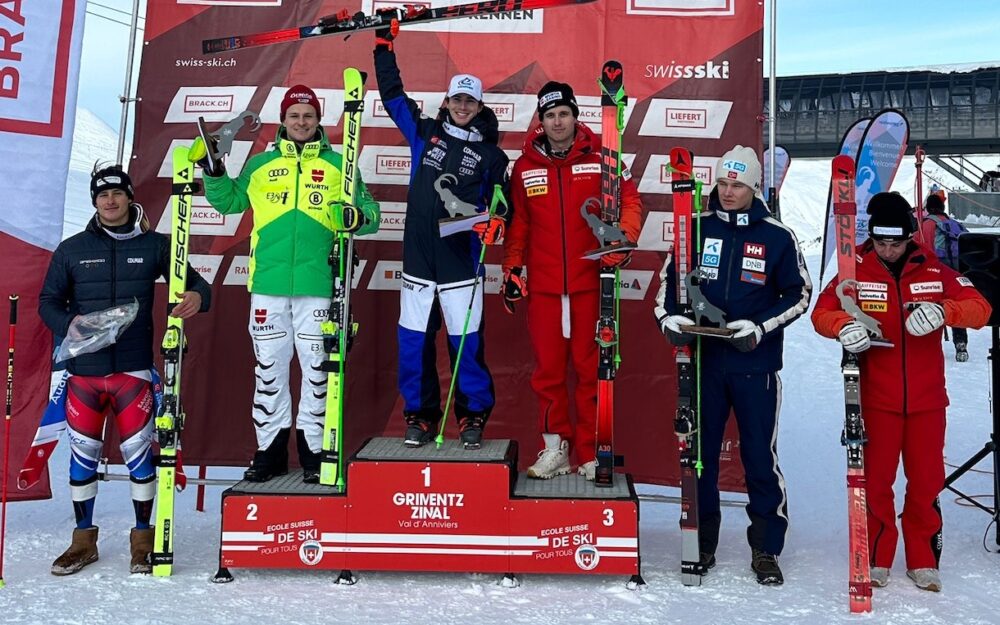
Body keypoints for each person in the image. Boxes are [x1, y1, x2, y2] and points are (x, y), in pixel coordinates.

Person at [812, 191, 990, 592]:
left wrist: (946, 311)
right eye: (881, 243)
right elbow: (820, 313)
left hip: (927, 400)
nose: (889, 251)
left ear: (910, 237)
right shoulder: (853, 269)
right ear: (871, 237)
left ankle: (923, 558)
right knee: (876, 482)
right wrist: (844, 325)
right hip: (876, 399)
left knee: (926, 481)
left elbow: (980, 306)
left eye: (896, 243)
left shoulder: (933, 269)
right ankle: (877, 557)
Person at [39, 164, 212, 575]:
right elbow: (47, 302)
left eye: (117, 194)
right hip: (84, 371)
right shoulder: (72, 249)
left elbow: (199, 286)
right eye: (102, 195)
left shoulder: (155, 245)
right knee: (82, 458)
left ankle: (142, 542)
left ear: (130, 197)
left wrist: (194, 297)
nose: (110, 201)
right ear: (95, 201)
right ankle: (83, 541)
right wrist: (70, 325)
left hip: (132, 372)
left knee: (139, 457)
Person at [202, 85, 380, 483]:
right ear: (283, 120)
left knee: (318, 373)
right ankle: (270, 452)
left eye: (308, 115)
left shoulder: (341, 163)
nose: (301, 122)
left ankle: (315, 453)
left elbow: (371, 212)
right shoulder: (260, 165)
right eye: (294, 115)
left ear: (319, 120)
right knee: (269, 372)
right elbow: (229, 202)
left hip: (320, 284)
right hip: (268, 283)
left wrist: (356, 218)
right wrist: (213, 170)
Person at [653, 146, 812, 585]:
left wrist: (759, 327)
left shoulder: (777, 236)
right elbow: (667, 287)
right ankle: (700, 542)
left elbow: (799, 295)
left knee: (759, 456)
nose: (727, 192)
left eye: (737, 185)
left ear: (754, 187)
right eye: (722, 183)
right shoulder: (695, 229)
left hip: (754, 365)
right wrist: (670, 319)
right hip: (703, 364)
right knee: (699, 457)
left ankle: (765, 547)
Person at [373, 21, 509, 449]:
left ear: (479, 104)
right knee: (413, 343)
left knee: (465, 347)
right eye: (457, 98)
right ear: (447, 100)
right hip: (418, 260)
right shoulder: (424, 131)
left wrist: (495, 220)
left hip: (460, 262)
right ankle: (420, 415)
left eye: (471, 100)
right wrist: (383, 47)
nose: (463, 105)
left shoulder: (491, 154)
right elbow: (392, 96)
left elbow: (502, 205)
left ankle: (472, 418)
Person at [502, 81, 642, 481]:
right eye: (549, 116)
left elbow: (630, 200)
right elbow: (520, 224)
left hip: (589, 282)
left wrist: (624, 237)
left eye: (563, 113)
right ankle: (554, 448)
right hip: (545, 287)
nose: (557, 121)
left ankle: (589, 451)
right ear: (540, 122)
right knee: (547, 371)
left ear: (575, 116)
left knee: (588, 368)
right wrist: (512, 267)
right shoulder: (525, 167)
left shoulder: (603, 157)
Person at [920, 191, 971, 361]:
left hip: (934, 272)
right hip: (956, 272)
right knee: (955, 306)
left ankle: (929, 345)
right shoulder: (955, 224)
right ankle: (961, 343)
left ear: (928, 208)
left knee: (931, 307)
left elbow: (919, 248)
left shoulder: (926, 225)